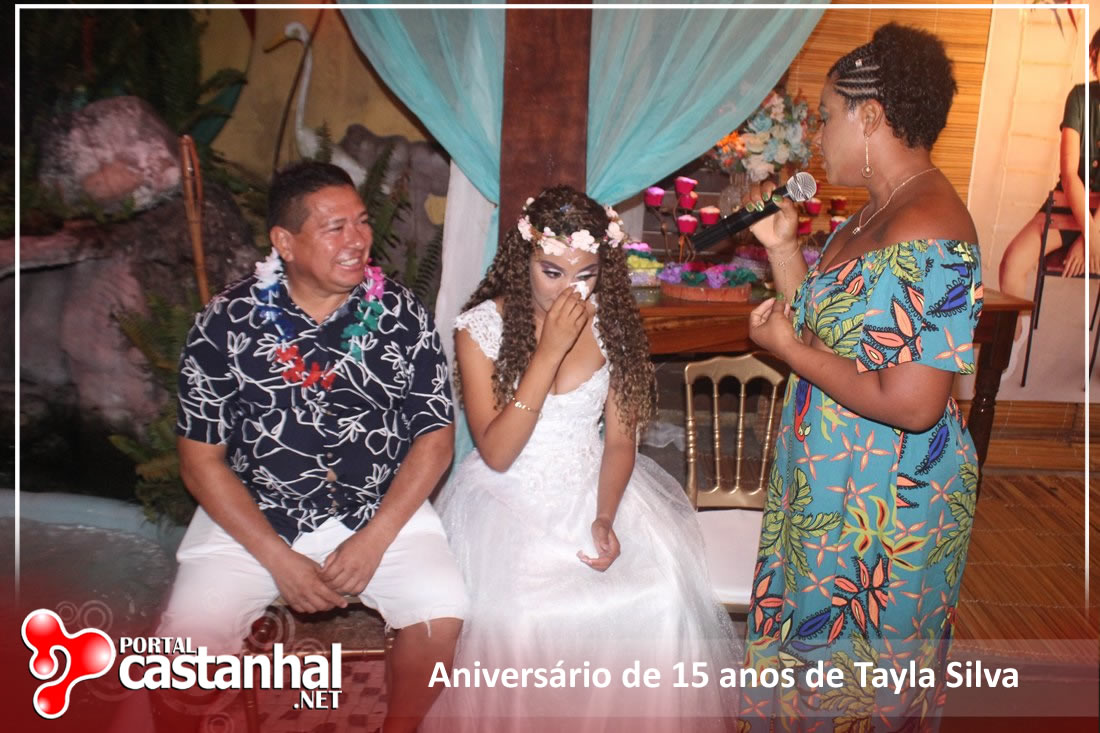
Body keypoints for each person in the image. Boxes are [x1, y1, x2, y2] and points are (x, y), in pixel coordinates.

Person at [159, 161, 468, 733]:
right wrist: (277, 558)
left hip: (378, 510)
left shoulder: (401, 315)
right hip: (255, 516)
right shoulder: (224, 323)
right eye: (334, 227)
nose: (358, 240)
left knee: (440, 615)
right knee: (179, 657)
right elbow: (200, 461)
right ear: (285, 242)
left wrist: (374, 540)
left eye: (362, 221)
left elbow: (435, 438)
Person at [425, 185, 739, 731]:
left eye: (586, 274)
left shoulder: (611, 324)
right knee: (524, 618)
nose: (570, 288)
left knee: (660, 597)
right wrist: (547, 353)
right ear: (523, 259)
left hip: (593, 486)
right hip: (506, 497)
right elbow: (497, 452)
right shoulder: (479, 328)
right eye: (552, 271)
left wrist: (605, 515)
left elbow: (619, 442)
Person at [740, 24, 982, 729]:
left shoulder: (933, 229)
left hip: (885, 495)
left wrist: (789, 353)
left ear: (869, 116)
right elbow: (826, 336)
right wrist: (784, 251)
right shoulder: (874, 212)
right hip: (835, 476)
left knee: (852, 681)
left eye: (826, 117)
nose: (818, 136)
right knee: (812, 664)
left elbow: (913, 402)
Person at [999, 27, 1100, 348]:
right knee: (1013, 261)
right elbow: (1069, 174)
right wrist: (1089, 236)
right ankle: (1009, 346)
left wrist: (1090, 239)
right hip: (1071, 203)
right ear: (1094, 57)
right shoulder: (1080, 97)